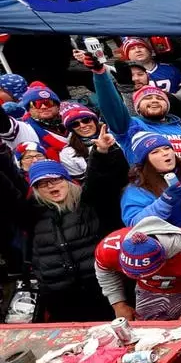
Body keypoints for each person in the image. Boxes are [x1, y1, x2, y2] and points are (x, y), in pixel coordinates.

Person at [0, 131, 128, 321]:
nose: (51, 185)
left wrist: (101, 152)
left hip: (104, 293)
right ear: (35, 190)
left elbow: (99, 178)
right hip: (60, 300)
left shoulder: (88, 203)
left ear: (66, 180)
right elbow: (7, 193)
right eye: (42, 184)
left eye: (55, 179)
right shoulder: (31, 213)